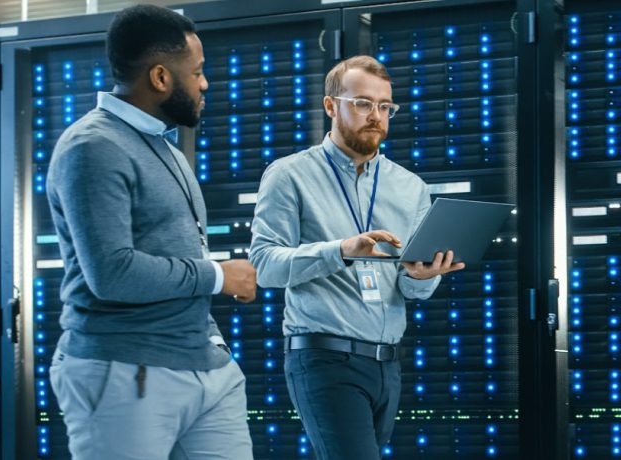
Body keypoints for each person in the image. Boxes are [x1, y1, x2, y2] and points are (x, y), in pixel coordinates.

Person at [46, 5, 256, 459]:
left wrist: (213, 341)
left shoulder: (163, 145)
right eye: (196, 72)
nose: (204, 83)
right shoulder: (93, 148)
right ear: (160, 77)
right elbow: (113, 273)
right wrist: (220, 277)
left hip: (205, 369)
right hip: (125, 370)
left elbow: (181, 250)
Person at [249, 55, 465, 460]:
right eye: (363, 103)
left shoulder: (409, 187)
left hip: (388, 364)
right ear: (331, 106)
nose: (376, 116)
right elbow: (264, 265)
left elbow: (412, 291)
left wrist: (422, 275)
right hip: (323, 357)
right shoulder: (289, 175)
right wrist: (340, 251)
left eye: (385, 107)